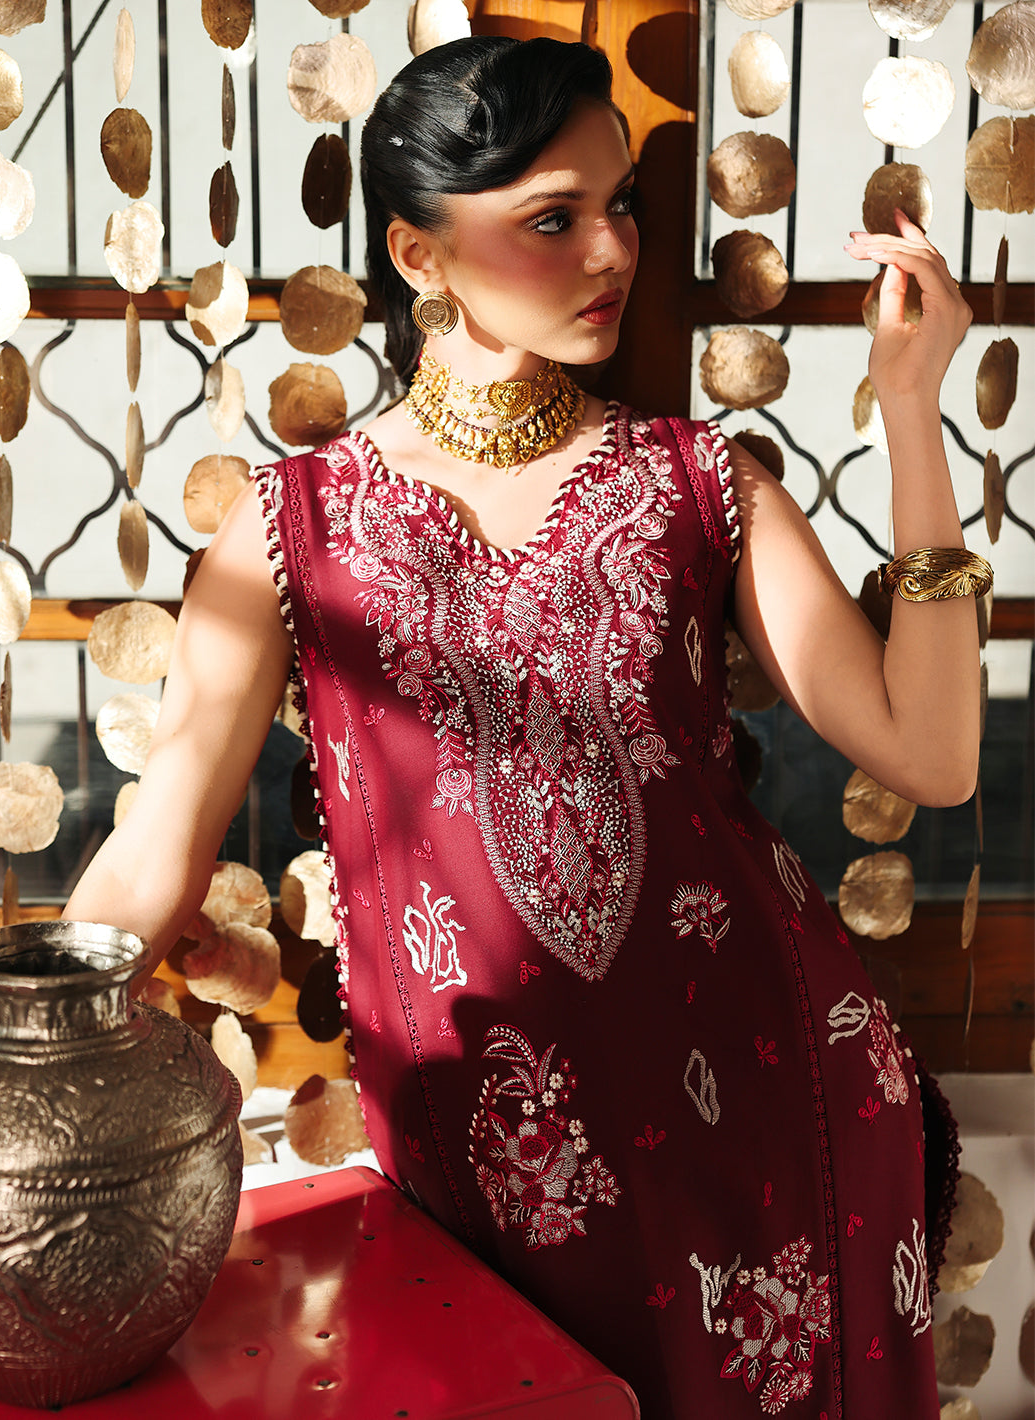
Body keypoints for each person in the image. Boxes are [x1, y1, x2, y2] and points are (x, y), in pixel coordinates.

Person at [64, 35, 988, 1419]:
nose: (612, 250)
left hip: (765, 1118)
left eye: (620, 206)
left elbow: (934, 753)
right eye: (553, 220)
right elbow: (156, 849)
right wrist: (18, 1040)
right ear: (418, 254)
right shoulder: (288, 529)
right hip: (491, 1162)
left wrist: (912, 411)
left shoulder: (698, 481)